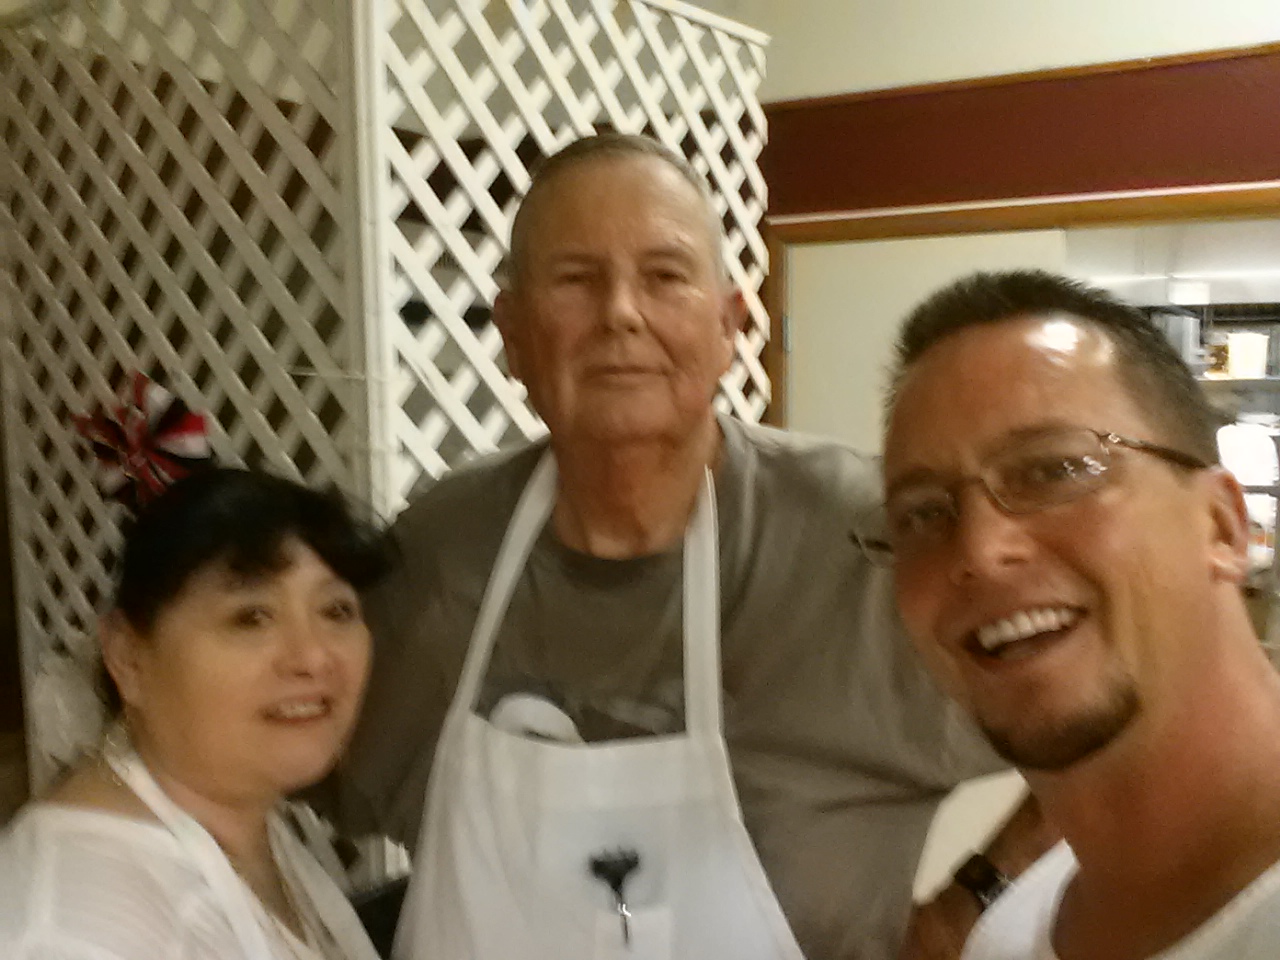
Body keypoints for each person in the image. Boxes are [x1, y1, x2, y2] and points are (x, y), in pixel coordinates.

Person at [322, 133, 1049, 960]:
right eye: (576, 279)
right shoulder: (443, 547)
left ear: (729, 325)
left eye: (664, 276)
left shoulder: (867, 541)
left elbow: (1117, 715)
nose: (621, 313)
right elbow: (297, 750)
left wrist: (971, 901)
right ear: (513, 335)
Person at [879, 269, 1280, 960]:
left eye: (1054, 470)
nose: (979, 551)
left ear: (1221, 525)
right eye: (923, 513)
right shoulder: (1009, 936)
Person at [0, 468, 392, 960]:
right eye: (251, 617)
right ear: (128, 657)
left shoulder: (242, 820)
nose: (314, 656)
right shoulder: (75, 930)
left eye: (336, 611)